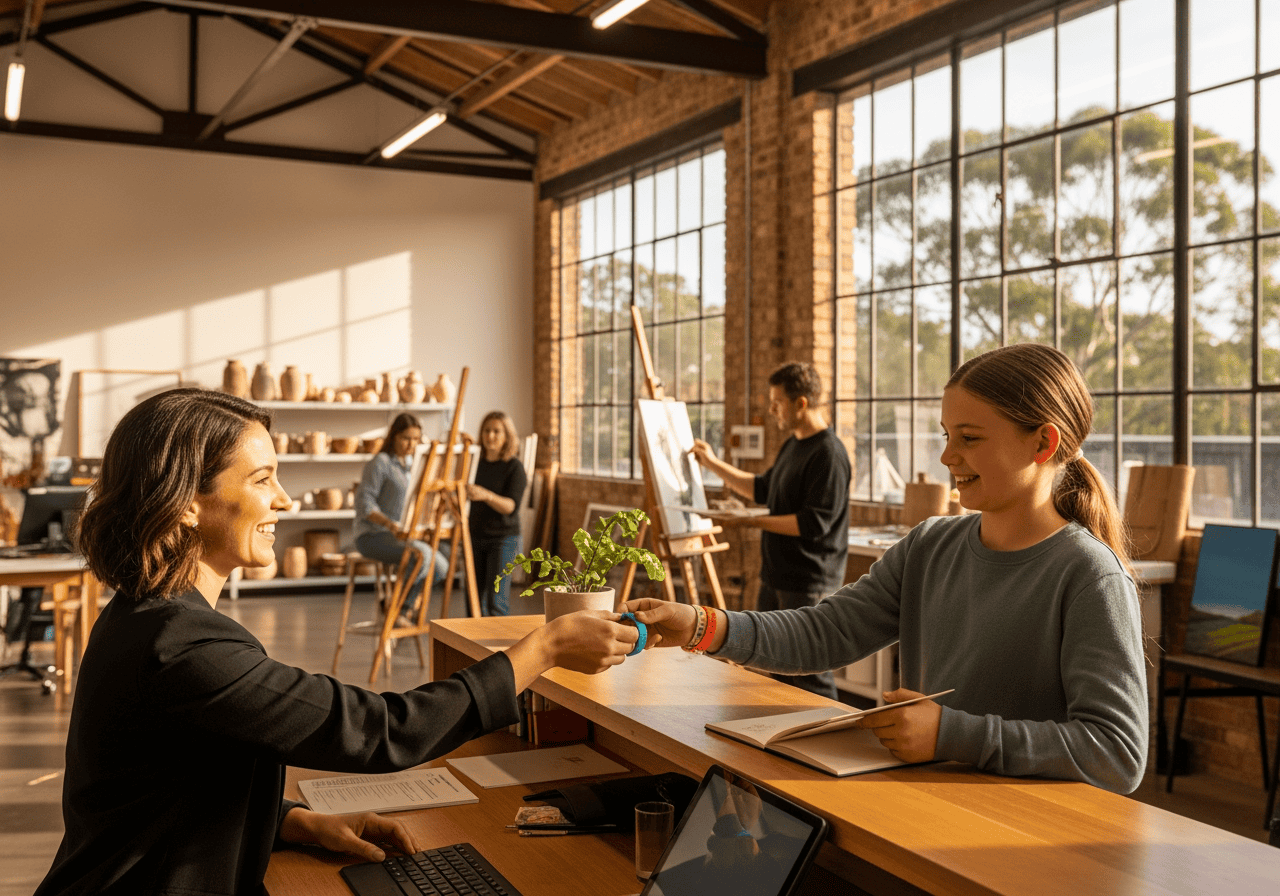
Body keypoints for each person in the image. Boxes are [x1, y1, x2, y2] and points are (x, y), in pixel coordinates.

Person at [35, 389, 639, 896]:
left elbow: (171, 785)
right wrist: (545, 647)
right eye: (263, 478)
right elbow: (382, 729)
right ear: (188, 503)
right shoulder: (182, 646)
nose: (285, 499)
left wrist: (293, 822)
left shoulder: (147, 617)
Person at [626, 343, 1148, 794]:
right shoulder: (930, 545)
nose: (948, 457)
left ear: (1043, 443)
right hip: (926, 808)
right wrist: (700, 624)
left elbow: (1118, 752)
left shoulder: (1089, 575)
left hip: (1025, 839)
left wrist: (951, 733)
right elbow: (825, 632)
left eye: (969, 438)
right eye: (946, 435)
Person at [688, 361, 850, 699]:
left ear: (801, 403)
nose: (772, 409)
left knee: (810, 674)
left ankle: (829, 740)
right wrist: (713, 463)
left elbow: (813, 524)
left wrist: (749, 521)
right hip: (777, 577)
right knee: (775, 668)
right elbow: (763, 489)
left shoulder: (829, 454)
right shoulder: (794, 444)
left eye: (777, 402)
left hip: (809, 583)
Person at [353, 412, 448, 625]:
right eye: (406, 438)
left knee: (441, 566)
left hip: (400, 535)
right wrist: (389, 524)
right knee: (422, 554)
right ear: (394, 436)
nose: (411, 444)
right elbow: (364, 504)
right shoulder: (380, 462)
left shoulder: (411, 466)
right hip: (372, 535)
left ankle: (396, 607)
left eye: (416, 439)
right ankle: (397, 611)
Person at [465, 411, 527, 616]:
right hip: (474, 537)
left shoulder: (514, 467)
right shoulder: (474, 464)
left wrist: (486, 495)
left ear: (507, 436)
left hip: (503, 540)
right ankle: (473, 647)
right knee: (473, 601)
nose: (490, 436)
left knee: (496, 601)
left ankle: (499, 647)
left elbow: (511, 506)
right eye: (486, 431)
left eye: (496, 431)